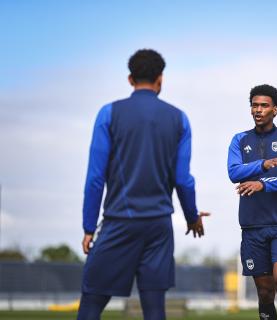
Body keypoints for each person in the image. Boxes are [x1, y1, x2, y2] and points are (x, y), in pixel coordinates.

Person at [78, 49, 209, 320]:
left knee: (92, 303)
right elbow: (183, 179)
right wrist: (192, 216)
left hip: (119, 223)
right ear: (160, 79)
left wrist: (89, 227)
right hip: (158, 228)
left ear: (130, 79)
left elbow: (95, 178)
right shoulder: (179, 118)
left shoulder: (109, 113)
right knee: (154, 309)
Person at [228, 84, 277, 320]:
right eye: (254, 105)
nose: (258, 110)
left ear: (276, 109)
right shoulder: (239, 140)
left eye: (264, 105)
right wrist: (262, 165)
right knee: (264, 292)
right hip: (252, 226)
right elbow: (234, 172)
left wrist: (263, 184)